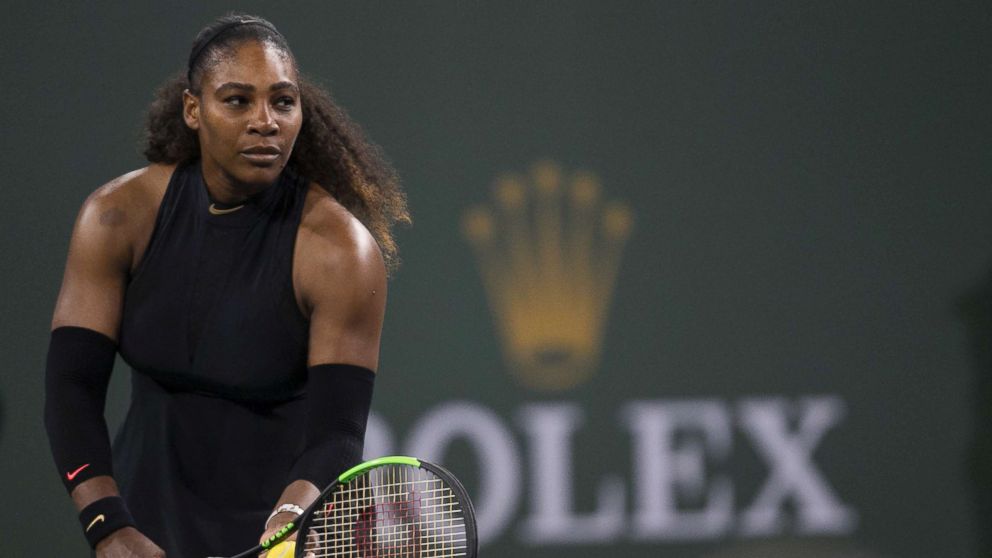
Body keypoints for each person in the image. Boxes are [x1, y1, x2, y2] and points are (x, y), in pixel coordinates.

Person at [44, 13, 409, 557]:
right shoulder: (117, 217)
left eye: (283, 102)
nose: (266, 121)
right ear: (194, 110)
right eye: (238, 100)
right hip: (139, 533)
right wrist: (108, 525)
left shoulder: (340, 251)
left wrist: (290, 518)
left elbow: (337, 432)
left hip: (277, 537)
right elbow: (71, 389)